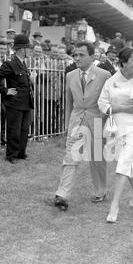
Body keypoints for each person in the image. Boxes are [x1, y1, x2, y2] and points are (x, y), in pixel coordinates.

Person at [46, 41, 111, 211]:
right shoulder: (70, 75)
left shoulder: (104, 75)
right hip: (76, 121)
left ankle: (100, 190)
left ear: (92, 56)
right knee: (71, 157)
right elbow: (68, 102)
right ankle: (62, 194)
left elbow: (108, 102)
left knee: (97, 159)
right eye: (75, 54)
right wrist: (68, 123)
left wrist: (105, 125)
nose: (77, 58)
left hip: (97, 121)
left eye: (81, 54)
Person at [98, 47, 133, 222]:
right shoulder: (112, 80)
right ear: (124, 62)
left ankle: (114, 205)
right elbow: (102, 102)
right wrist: (119, 108)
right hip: (116, 128)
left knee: (123, 163)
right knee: (126, 161)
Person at [0, 34, 34, 164]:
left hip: (25, 102)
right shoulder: (10, 63)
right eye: (28, 48)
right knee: (14, 130)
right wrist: (5, 91)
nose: (30, 51)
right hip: (14, 103)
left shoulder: (22, 63)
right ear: (21, 49)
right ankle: (11, 155)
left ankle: (21, 153)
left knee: (24, 130)